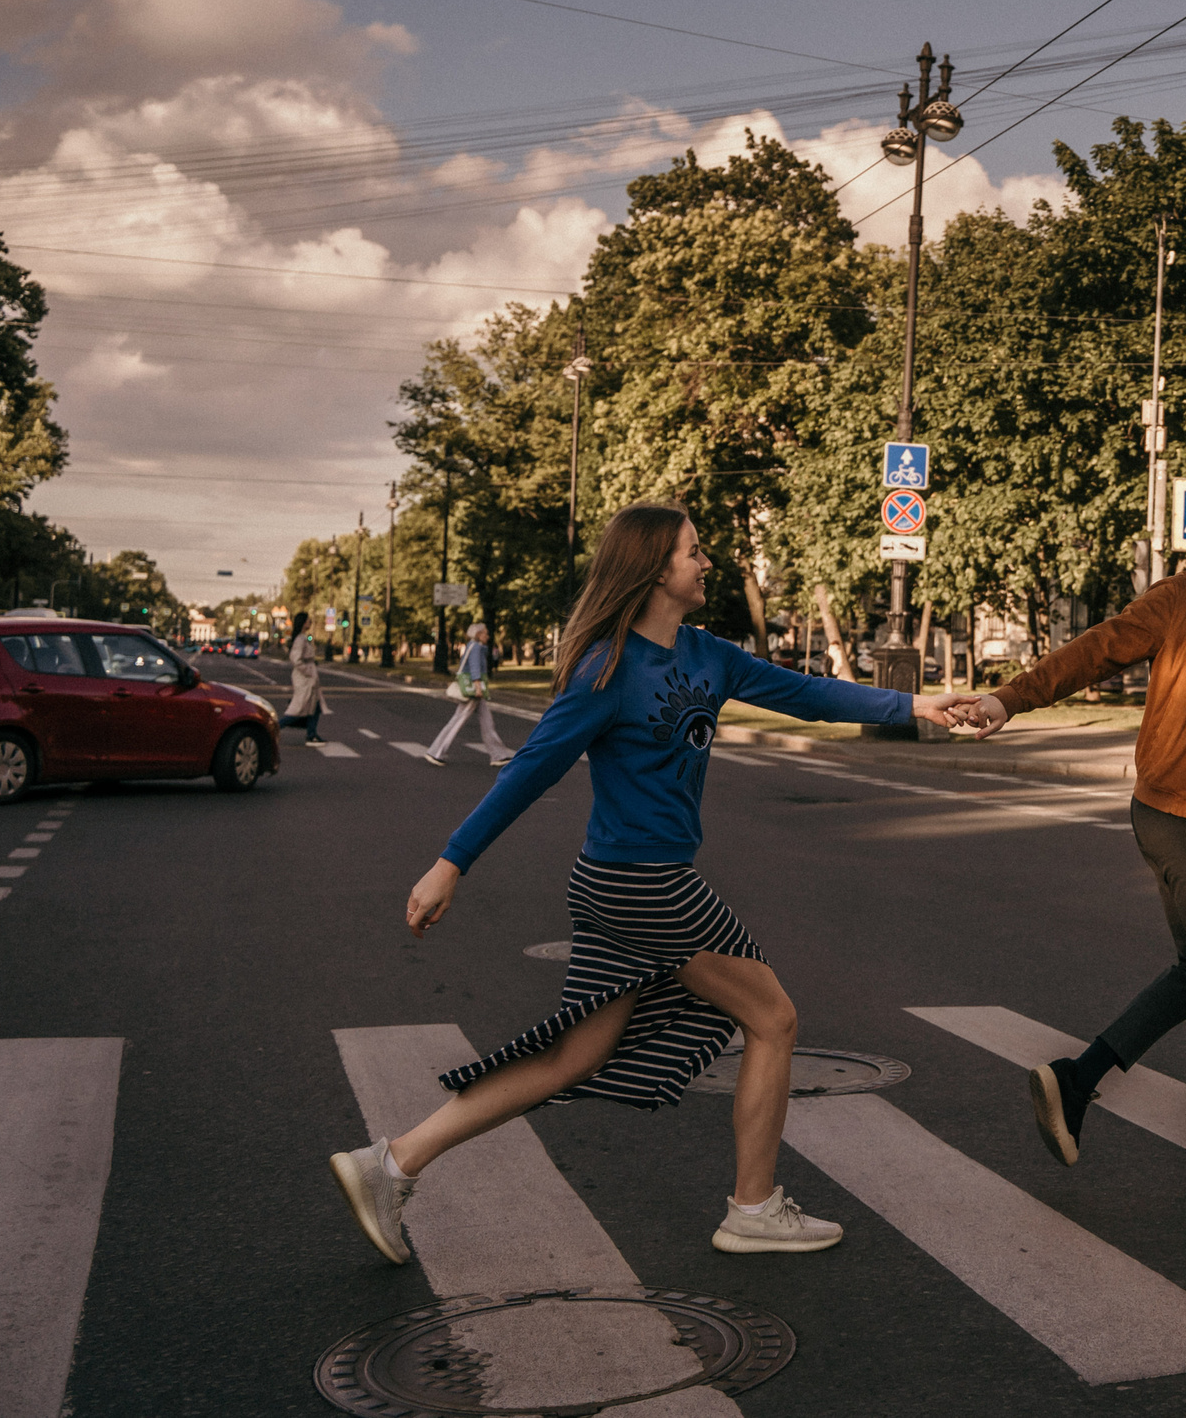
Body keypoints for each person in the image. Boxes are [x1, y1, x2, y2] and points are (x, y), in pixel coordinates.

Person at [328, 503, 974, 1265]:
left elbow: (809, 694)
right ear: (655, 569)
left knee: (572, 1059)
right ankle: (754, 1207)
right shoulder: (607, 667)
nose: (707, 563)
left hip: (627, 883)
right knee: (773, 1018)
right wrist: (451, 861)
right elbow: (532, 768)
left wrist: (914, 703)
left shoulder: (710, 654)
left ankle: (390, 1163)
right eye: (694, 552)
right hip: (640, 881)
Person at [964, 468, 1186, 1196]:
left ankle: (1077, 1079)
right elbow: (1097, 648)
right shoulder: (1180, 597)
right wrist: (1011, 697)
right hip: (1184, 803)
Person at [425, 622, 512, 767]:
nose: (488, 636)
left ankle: (498, 755)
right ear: (478, 634)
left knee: (488, 723)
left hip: (476, 690)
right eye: (485, 633)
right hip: (473, 691)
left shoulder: (474, 646)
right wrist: (478, 687)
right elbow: (474, 668)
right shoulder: (476, 647)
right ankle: (435, 752)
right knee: (457, 721)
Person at [278, 611, 327, 745]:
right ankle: (274, 728)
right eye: (308, 620)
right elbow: (296, 659)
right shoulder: (300, 639)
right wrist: (308, 671)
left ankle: (311, 734)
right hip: (304, 678)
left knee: (314, 706)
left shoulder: (303, 638)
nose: (310, 622)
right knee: (298, 708)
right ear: (302, 622)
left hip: (308, 677)